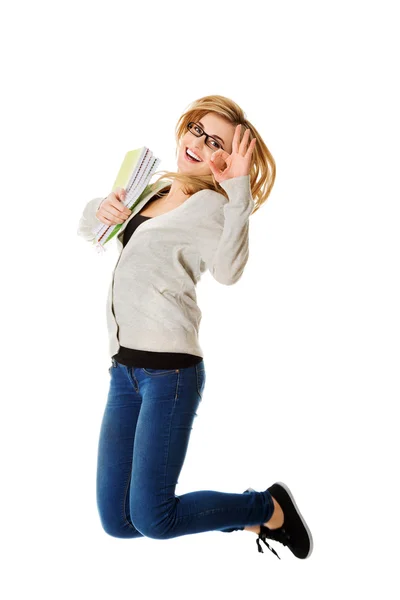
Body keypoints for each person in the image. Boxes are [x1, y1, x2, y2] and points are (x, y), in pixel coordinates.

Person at [77, 95, 313, 560]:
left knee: (154, 519)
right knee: (119, 522)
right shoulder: (154, 189)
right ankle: (247, 516)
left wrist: (239, 190)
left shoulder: (211, 207)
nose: (199, 144)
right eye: (196, 131)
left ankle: (266, 506)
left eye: (215, 143)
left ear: (228, 159)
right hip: (124, 372)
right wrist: (102, 208)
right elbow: (91, 231)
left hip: (171, 374)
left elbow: (228, 270)